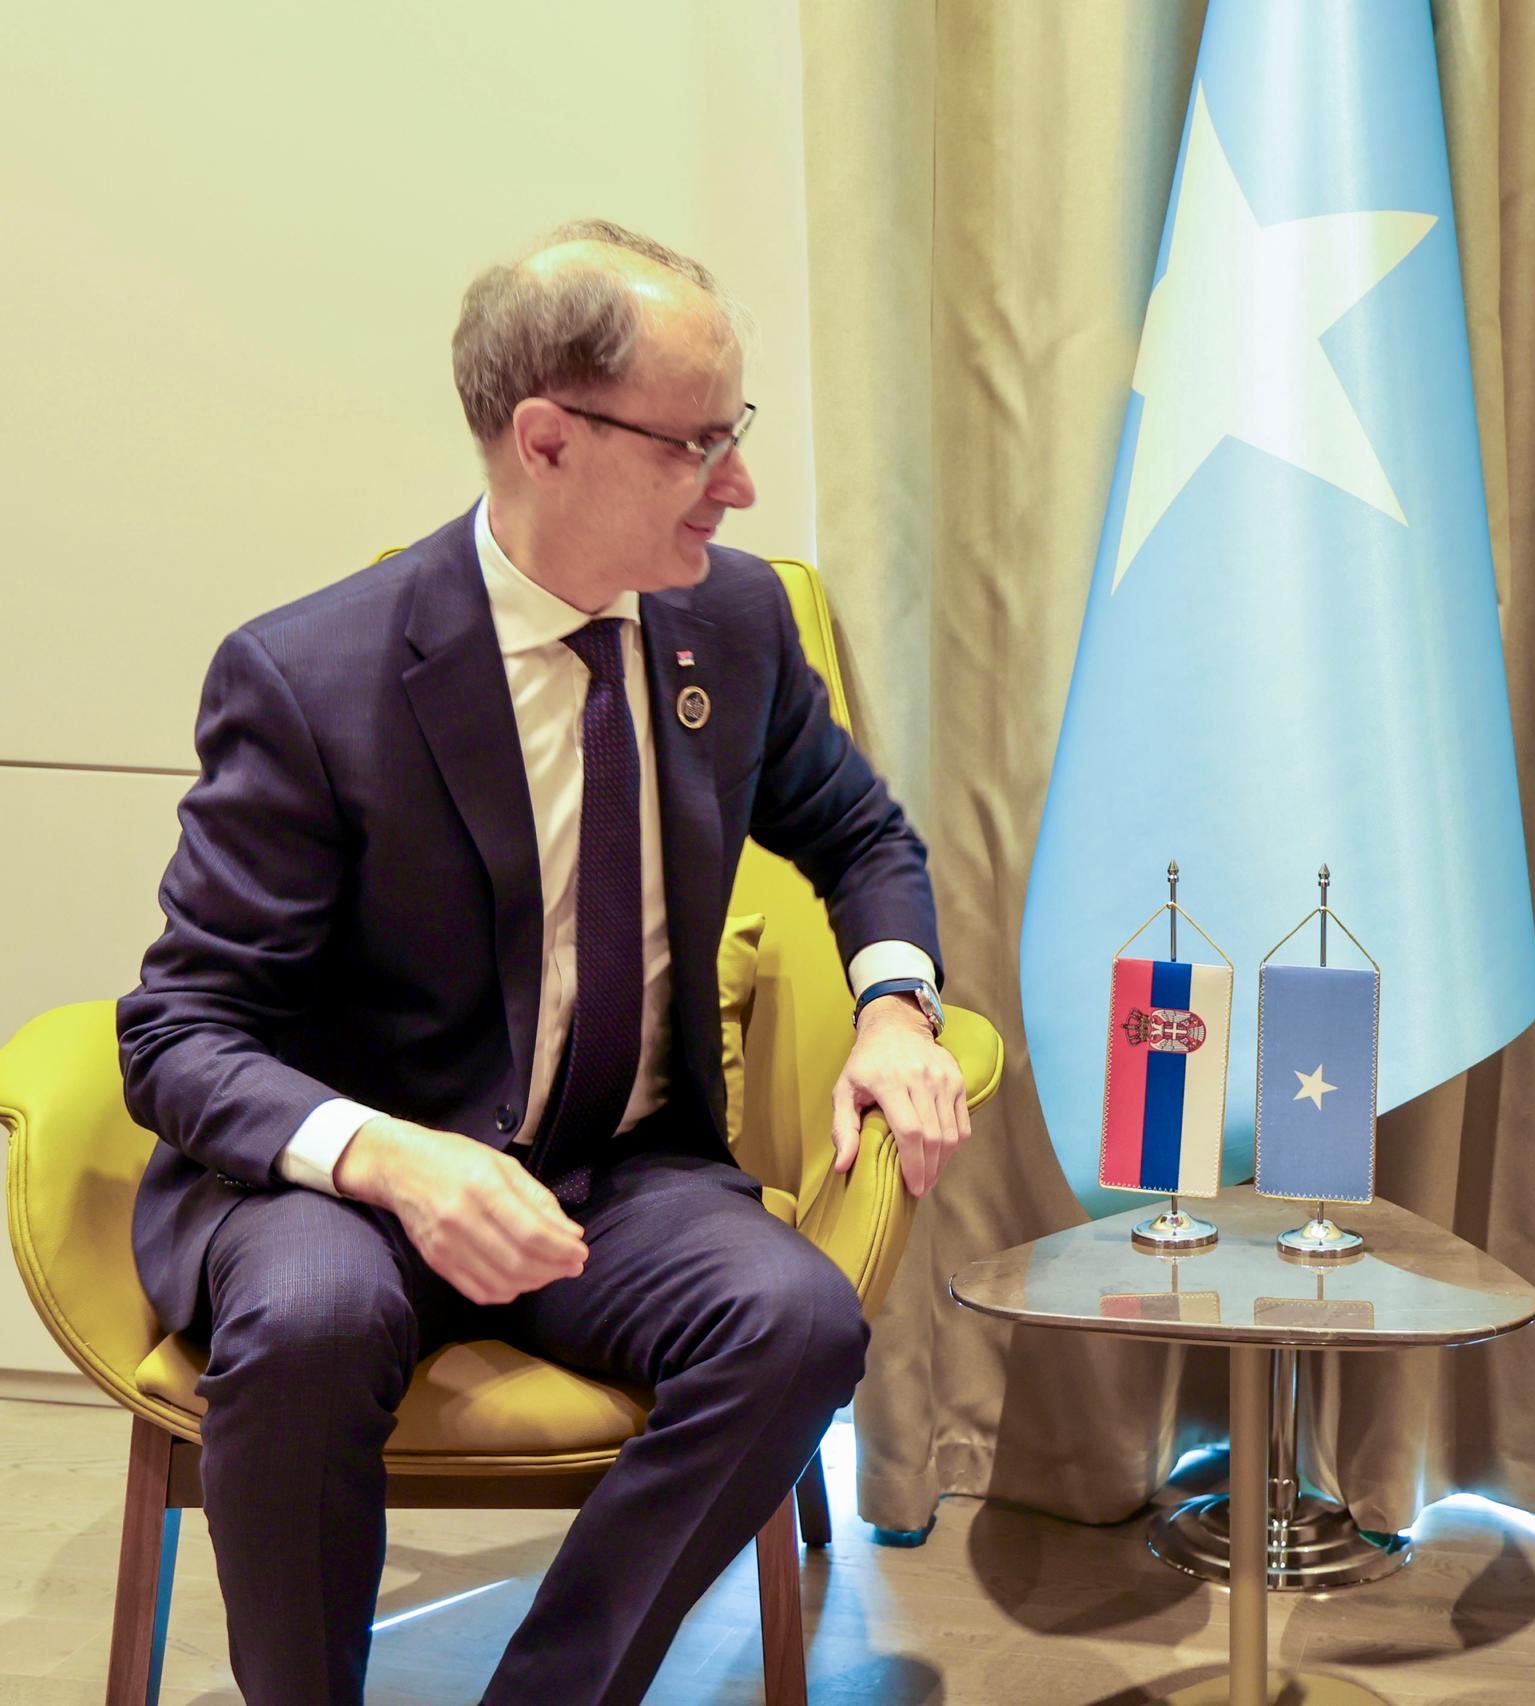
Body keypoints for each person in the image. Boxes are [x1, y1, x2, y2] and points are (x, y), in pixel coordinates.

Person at [117, 219, 970, 1704]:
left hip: (618, 1169)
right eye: (700, 443)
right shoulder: (311, 679)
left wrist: (896, 1002)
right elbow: (182, 1031)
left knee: (797, 1320)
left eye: (737, 433)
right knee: (308, 1320)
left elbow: (858, 831)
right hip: (354, 1179)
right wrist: (395, 1159)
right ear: (547, 438)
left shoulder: (736, 623)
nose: (742, 481)